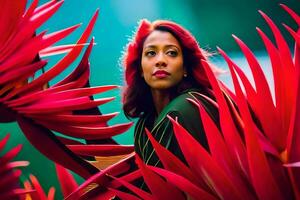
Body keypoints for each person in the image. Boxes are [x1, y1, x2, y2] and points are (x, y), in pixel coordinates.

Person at [122, 19, 221, 168]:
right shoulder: (146, 123)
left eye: (171, 53)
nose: (160, 60)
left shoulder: (185, 108)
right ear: (141, 69)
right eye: (151, 53)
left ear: (186, 67)